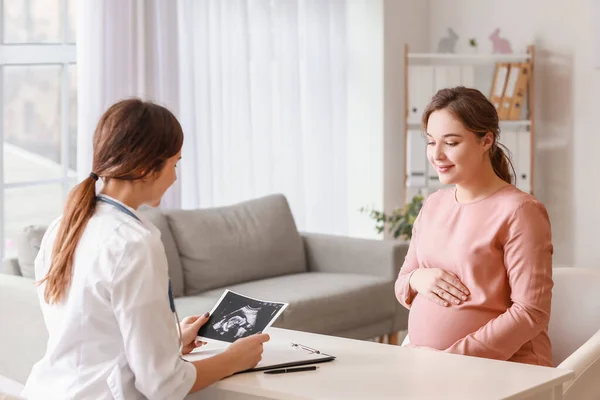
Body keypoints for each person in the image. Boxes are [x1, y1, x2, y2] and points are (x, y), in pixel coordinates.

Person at [21, 99, 270, 399]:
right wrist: (234, 359)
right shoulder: (134, 244)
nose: (175, 177)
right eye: (174, 164)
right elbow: (163, 385)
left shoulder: (63, 226)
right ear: (144, 168)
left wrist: (171, 338)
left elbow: (93, 336)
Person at [395, 87, 554, 367]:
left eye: (451, 142)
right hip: (427, 368)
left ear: (486, 141)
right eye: (431, 142)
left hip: (501, 369)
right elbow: (403, 281)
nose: (437, 155)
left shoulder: (521, 211)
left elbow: (531, 312)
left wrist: (454, 359)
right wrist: (417, 279)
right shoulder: (433, 204)